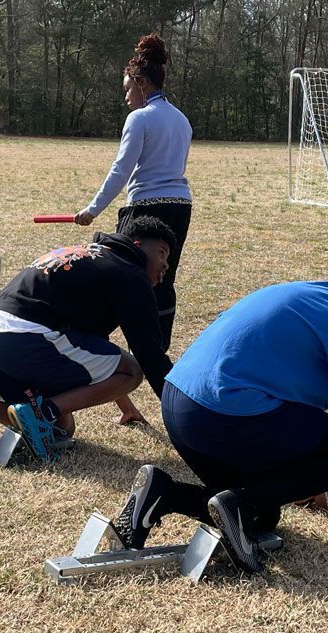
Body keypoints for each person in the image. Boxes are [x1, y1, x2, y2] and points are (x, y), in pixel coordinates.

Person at [110, 247, 328, 575]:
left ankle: (163, 492)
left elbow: (286, 392)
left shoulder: (299, 292)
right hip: (222, 414)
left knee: (261, 515)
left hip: (179, 403)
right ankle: (238, 504)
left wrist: (309, 478)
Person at [0, 217, 176, 463]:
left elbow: (98, 355)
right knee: (134, 370)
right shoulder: (130, 273)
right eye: (162, 254)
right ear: (137, 245)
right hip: (28, 338)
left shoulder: (90, 256)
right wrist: (181, 416)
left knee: (61, 431)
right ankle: (41, 412)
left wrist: (126, 408)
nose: (165, 266)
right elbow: (150, 356)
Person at [74, 33, 192, 425]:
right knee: (164, 280)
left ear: (142, 83)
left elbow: (121, 170)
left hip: (145, 207)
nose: (126, 97)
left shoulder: (139, 118)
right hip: (180, 208)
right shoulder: (181, 119)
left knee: (125, 283)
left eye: (128, 89)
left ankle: (137, 362)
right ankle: (160, 348)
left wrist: (93, 209)